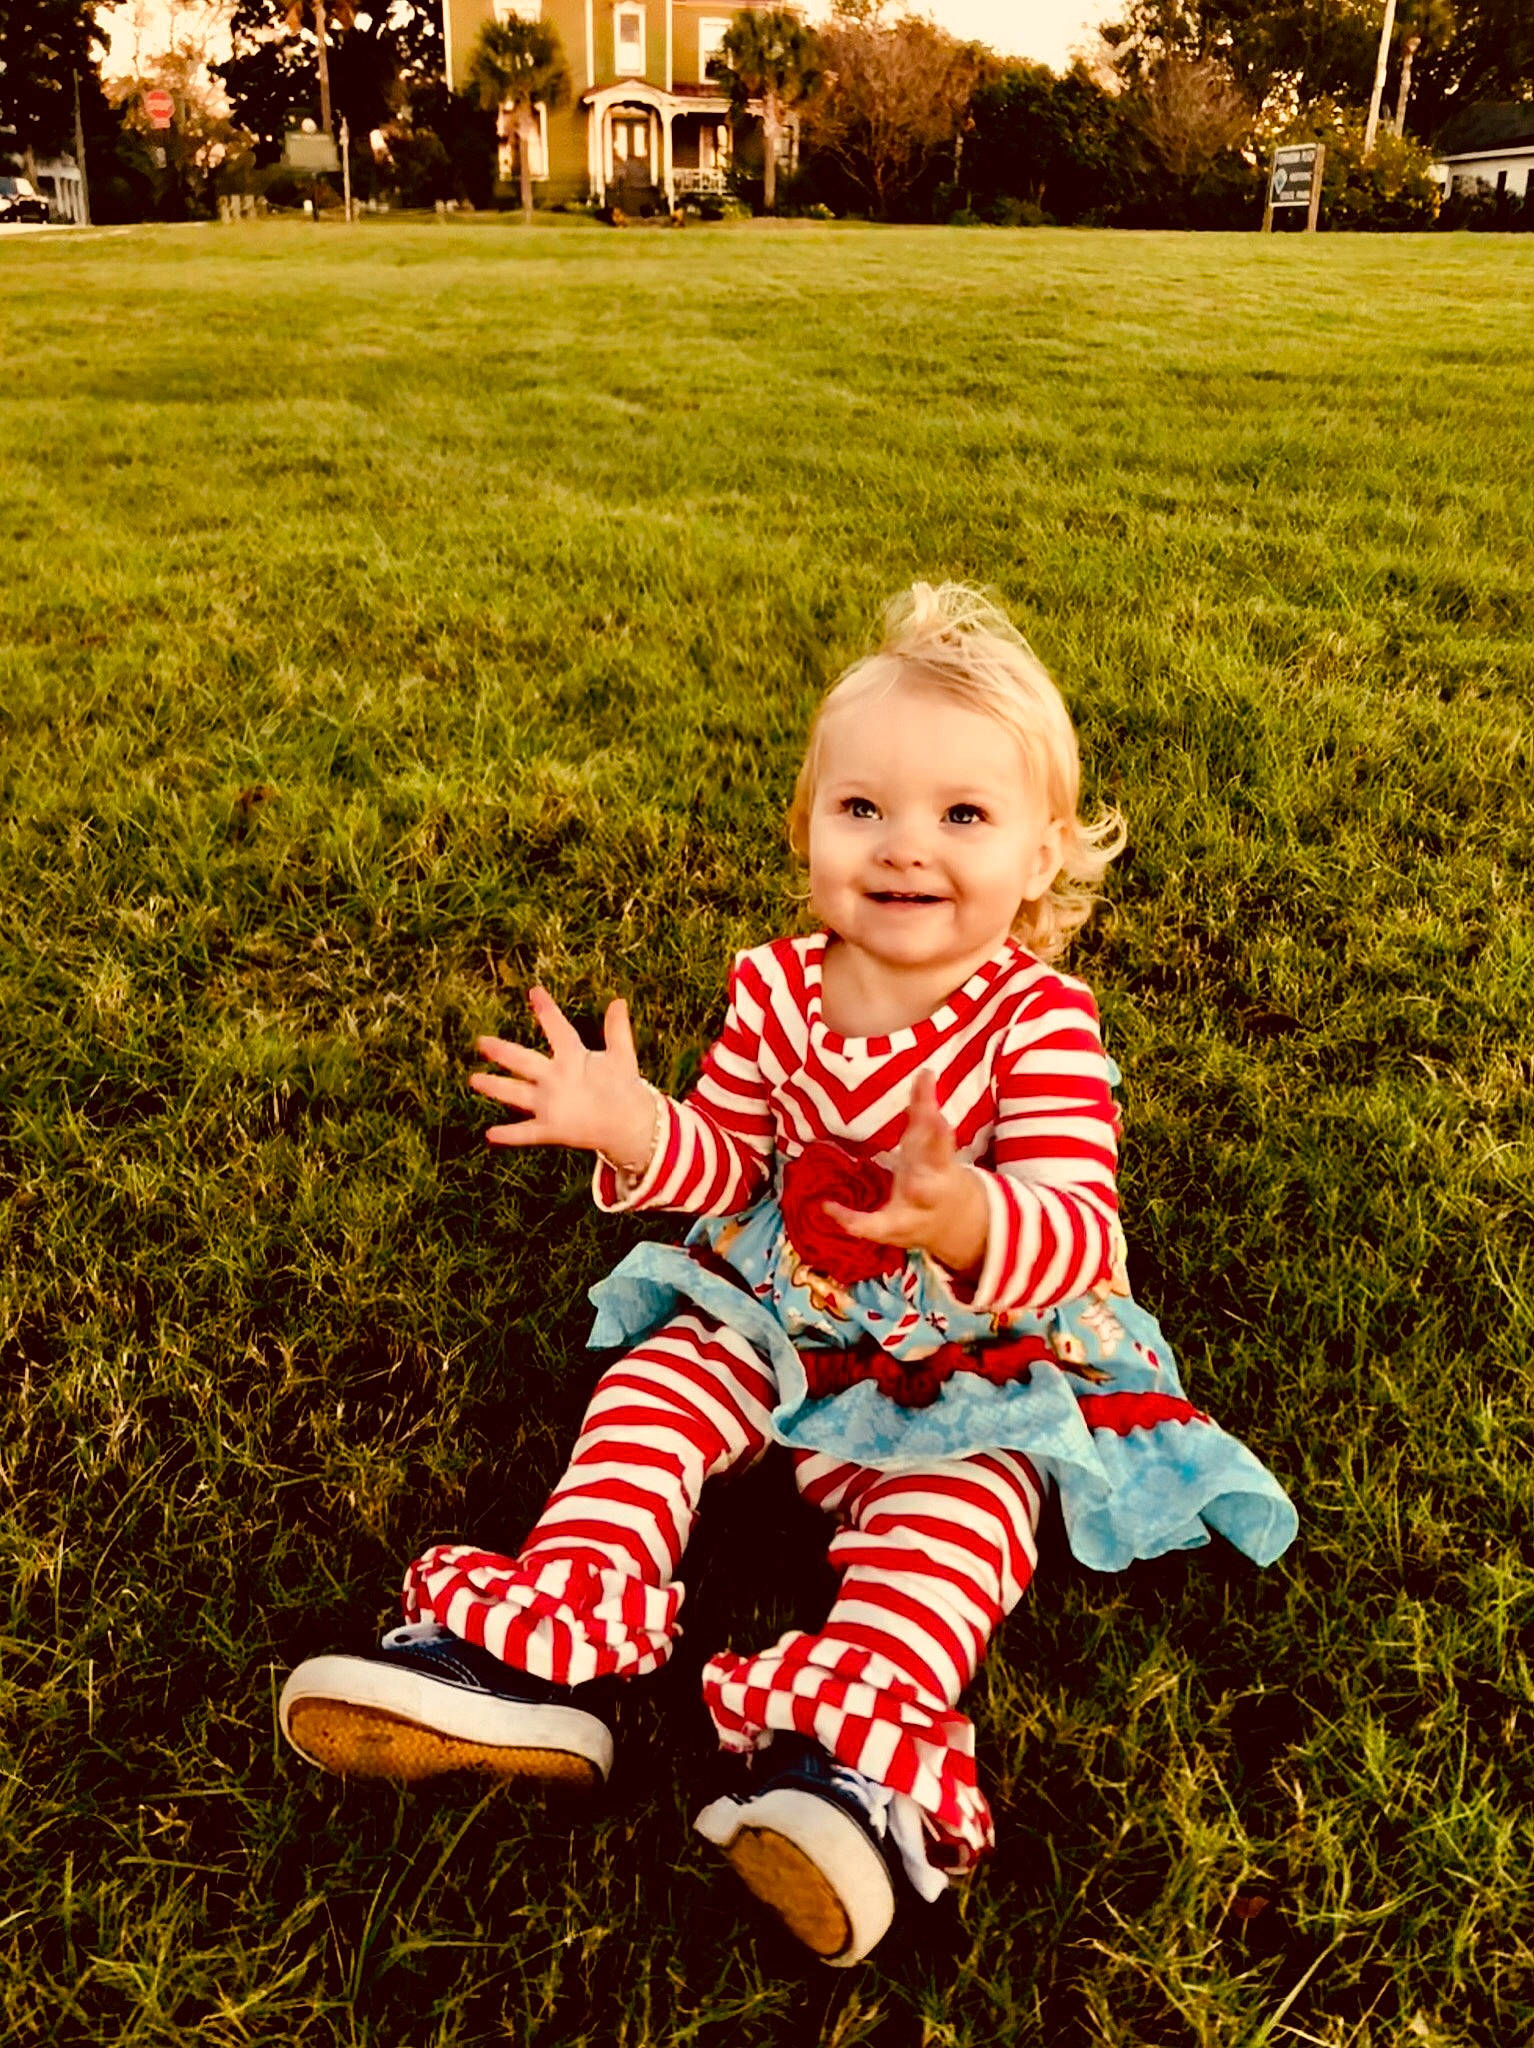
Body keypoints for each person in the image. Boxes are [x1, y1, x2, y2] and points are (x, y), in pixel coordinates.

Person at [280, 583, 1297, 1968]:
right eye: (860, 809)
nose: (903, 850)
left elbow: (1078, 1230)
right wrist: (639, 1132)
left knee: (965, 1501)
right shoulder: (771, 993)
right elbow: (736, 1175)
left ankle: (856, 1766)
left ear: (1041, 853)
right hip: (785, 1313)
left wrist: (964, 1214)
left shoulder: (1038, 1025)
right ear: (807, 827)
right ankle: (538, 1645)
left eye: (962, 816)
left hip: (966, 1343)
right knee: (656, 1381)